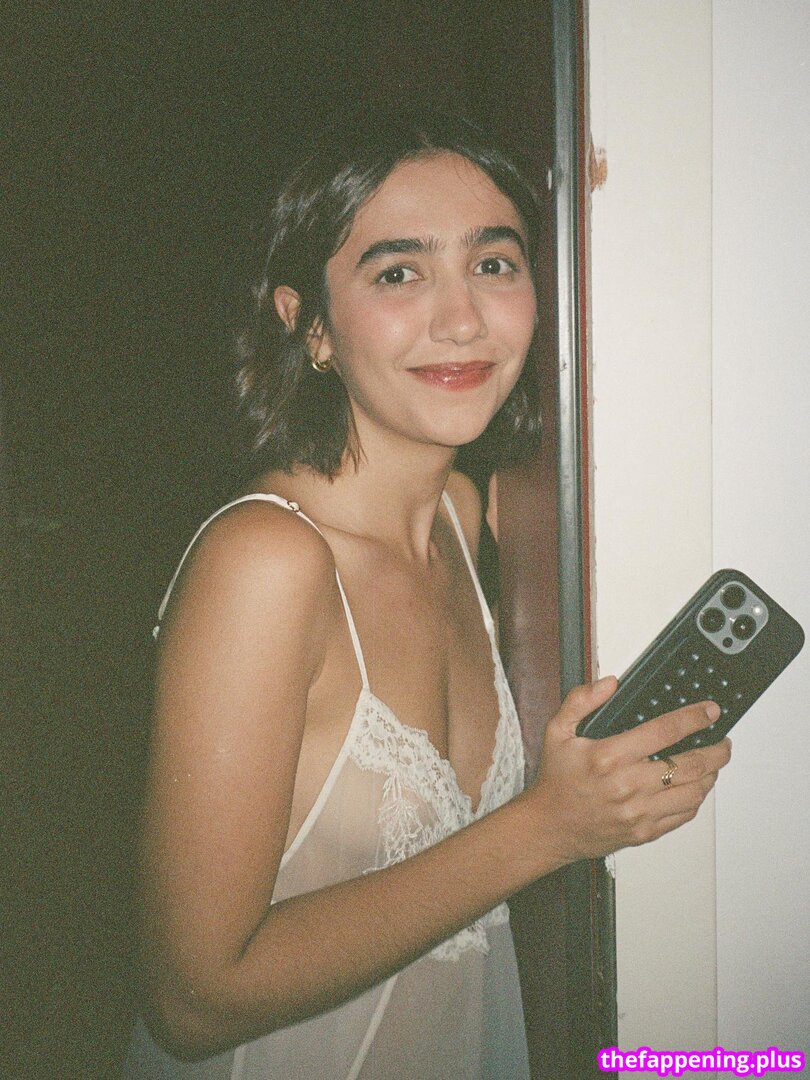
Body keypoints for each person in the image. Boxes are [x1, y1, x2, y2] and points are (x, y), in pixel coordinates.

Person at [124, 112, 730, 1079]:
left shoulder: (465, 515)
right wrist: (549, 826)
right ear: (309, 325)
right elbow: (195, 999)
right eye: (399, 273)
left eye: (493, 264)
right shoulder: (265, 563)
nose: (462, 319)